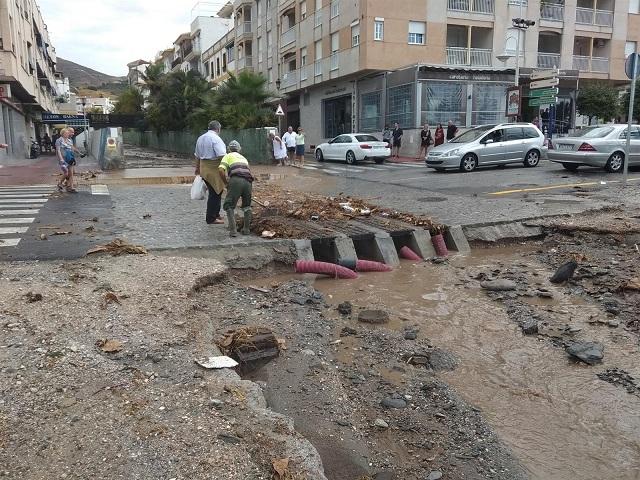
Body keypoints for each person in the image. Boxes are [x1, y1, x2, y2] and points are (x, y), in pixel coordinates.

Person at [194, 120, 227, 225]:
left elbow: (197, 155)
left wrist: (197, 168)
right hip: (213, 168)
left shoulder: (200, 138)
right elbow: (222, 155)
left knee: (217, 191)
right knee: (215, 193)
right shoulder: (216, 139)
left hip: (204, 168)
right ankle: (211, 218)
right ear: (218, 129)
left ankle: (216, 214)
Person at [219, 140, 253, 237]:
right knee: (247, 206)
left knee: (229, 205)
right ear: (239, 149)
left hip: (236, 180)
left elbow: (221, 170)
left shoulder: (227, 156)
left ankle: (233, 230)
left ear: (229, 149)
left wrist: (226, 183)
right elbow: (249, 172)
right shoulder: (244, 158)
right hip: (248, 181)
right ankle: (246, 229)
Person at [55, 127, 81, 193]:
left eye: (68, 133)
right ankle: (60, 183)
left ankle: (71, 187)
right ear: (63, 134)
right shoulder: (59, 140)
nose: (68, 134)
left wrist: (79, 153)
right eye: (66, 133)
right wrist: (61, 159)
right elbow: (58, 150)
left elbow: (72, 148)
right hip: (63, 158)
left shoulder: (69, 140)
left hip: (70, 157)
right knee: (66, 173)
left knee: (71, 173)